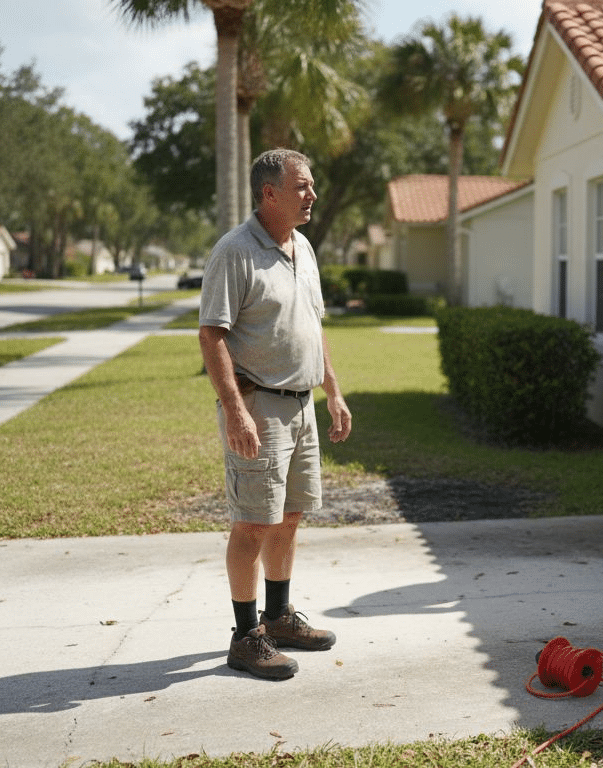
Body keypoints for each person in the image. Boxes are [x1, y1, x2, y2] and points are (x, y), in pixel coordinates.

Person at [198, 148, 352, 680]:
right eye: (303, 186)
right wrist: (236, 411)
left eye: (312, 186)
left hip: (302, 406)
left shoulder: (302, 246)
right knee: (252, 524)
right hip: (259, 407)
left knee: (289, 517)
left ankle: (280, 616)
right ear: (270, 194)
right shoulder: (235, 251)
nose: (312, 195)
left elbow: (313, 324)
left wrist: (333, 390)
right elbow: (212, 333)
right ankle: (246, 637)